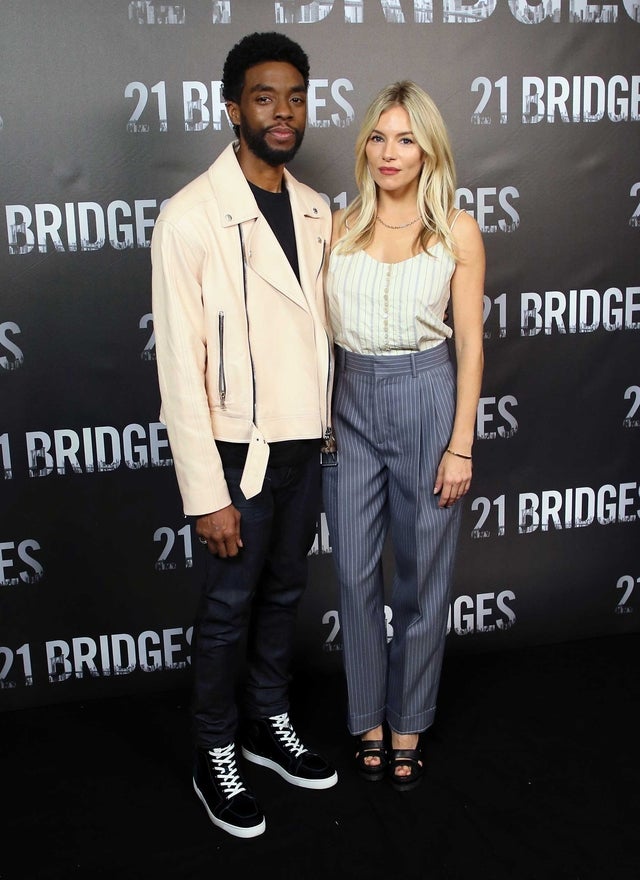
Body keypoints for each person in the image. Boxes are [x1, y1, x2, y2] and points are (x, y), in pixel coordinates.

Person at [151, 31, 338, 840]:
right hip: (236, 458)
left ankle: (266, 723)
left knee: (285, 596)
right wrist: (206, 494)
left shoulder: (316, 208)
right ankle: (214, 750)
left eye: (295, 96)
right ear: (232, 109)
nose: (284, 112)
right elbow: (180, 376)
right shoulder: (190, 215)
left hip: (305, 448)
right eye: (265, 97)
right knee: (228, 609)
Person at [323, 81, 485, 792]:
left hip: (426, 395)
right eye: (380, 137)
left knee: (423, 578)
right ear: (366, 146)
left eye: (406, 139)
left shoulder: (458, 229)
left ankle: (408, 720)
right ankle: (366, 718)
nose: (390, 153)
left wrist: (461, 445)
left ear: (428, 150)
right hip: (350, 401)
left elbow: (473, 348)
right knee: (355, 572)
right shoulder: (337, 225)